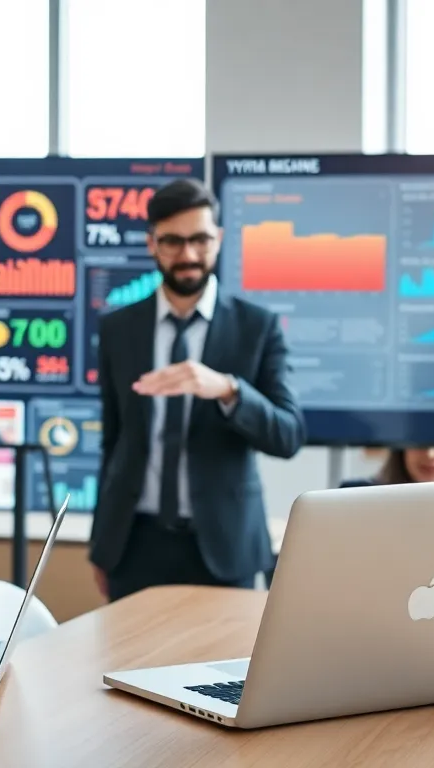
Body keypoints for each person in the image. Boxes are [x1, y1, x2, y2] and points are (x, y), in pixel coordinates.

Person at [89, 178, 306, 603]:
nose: (187, 255)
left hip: (224, 550)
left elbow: (288, 434)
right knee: (124, 668)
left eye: (200, 240)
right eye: (172, 241)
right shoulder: (118, 328)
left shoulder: (256, 327)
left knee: (221, 671)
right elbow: (113, 444)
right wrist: (102, 544)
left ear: (219, 239)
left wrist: (228, 390)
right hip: (134, 546)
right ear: (151, 243)